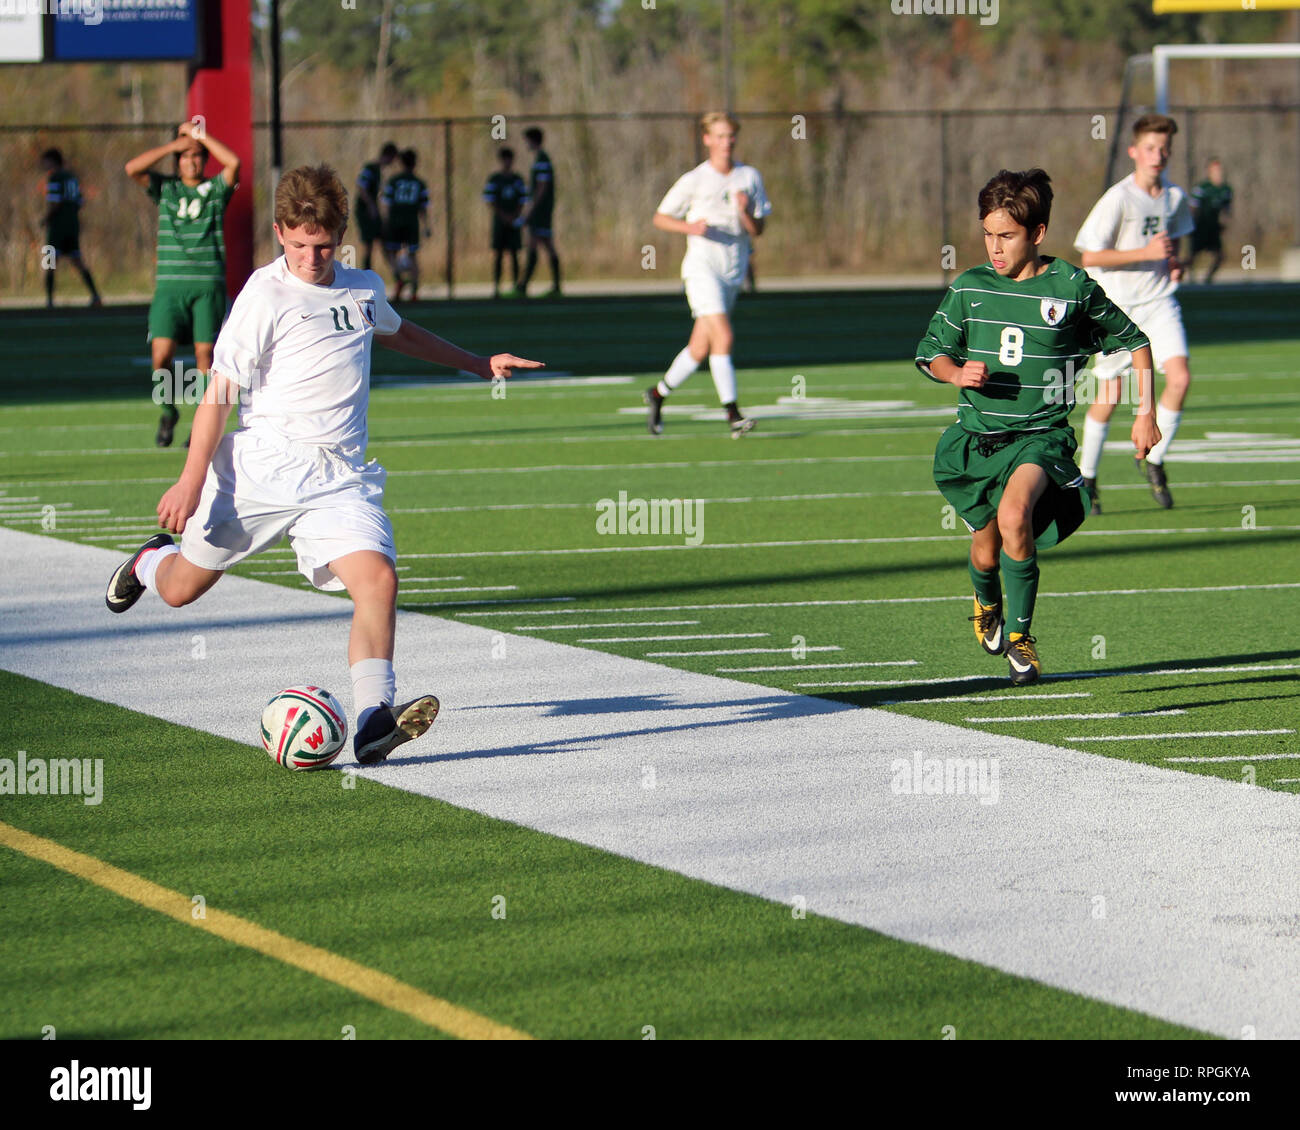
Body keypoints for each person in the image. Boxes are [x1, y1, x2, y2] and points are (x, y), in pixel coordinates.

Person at [104, 164, 543, 764]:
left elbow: (402, 334)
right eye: (302, 246)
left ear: (341, 236)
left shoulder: (363, 287)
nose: (314, 258)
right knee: (182, 590)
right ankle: (151, 559)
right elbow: (217, 395)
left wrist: (477, 362)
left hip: (340, 477)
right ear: (281, 232)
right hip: (262, 469)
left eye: (326, 245)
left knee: (379, 581)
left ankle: (372, 721)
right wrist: (188, 479)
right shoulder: (262, 295)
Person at [915, 168, 1157, 686]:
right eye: (988, 234)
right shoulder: (969, 288)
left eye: (1007, 236)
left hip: (1041, 438)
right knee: (985, 545)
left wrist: (1145, 414)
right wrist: (957, 372)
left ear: (1038, 233)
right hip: (976, 440)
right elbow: (931, 353)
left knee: (1015, 514)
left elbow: (1137, 343)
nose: (995, 247)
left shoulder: (1070, 286)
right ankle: (986, 603)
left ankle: (1022, 641)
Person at [1073, 113, 1194, 513]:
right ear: (1134, 152)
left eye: (1164, 149)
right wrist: (1144, 254)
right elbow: (1090, 255)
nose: (1157, 155)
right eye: (1149, 148)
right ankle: (1087, 477)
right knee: (1110, 394)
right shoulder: (1118, 198)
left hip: (1160, 303)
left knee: (1180, 378)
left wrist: (1176, 264)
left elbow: (1173, 248)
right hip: (1118, 310)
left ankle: (1154, 461)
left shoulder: (1174, 197)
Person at [644, 110, 770, 439]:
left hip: (732, 271)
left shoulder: (749, 177)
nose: (726, 142)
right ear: (707, 139)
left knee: (700, 349)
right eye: (720, 136)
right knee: (724, 338)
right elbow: (660, 217)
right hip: (702, 269)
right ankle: (732, 414)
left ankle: (657, 394)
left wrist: (744, 212)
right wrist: (690, 227)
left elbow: (759, 229)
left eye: (731, 136)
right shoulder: (695, 179)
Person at [125, 121, 240, 447]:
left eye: (197, 155)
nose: (192, 160)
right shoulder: (166, 188)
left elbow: (234, 164)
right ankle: (168, 410)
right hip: (170, 288)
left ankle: (201, 425)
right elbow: (132, 168)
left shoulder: (216, 190)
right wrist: (172, 146)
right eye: (185, 155)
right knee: (161, 356)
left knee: (206, 356)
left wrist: (202, 135)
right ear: (177, 159)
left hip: (207, 286)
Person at [39, 149, 102, 309]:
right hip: (72, 225)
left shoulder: (55, 177)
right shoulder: (71, 177)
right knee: (78, 260)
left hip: (58, 227)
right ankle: (95, 295)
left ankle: (49, 300)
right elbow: (80, 201)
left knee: (50, 262)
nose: (43, 164)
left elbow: (55, 202)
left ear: (53, 161)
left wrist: (46, 219)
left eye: (45, 161)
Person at [516, 127, 561, 297]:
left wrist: (530, 210)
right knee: (545, 245)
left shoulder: (542, 159)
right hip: (541, 210)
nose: (525, 144)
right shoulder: (539, 159)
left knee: (536, 244)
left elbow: (542, 187)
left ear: (532, 140)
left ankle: (524, 285)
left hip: (540, 211)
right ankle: (550, 285)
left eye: (526, 140)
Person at [380, 148, 430, 302]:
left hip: (395, 221)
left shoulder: (394, 181)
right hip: (412, 222)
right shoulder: (419, 183)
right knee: (413, 256)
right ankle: (414, 290)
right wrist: (427, 226)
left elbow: (386, 203)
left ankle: (398, 279)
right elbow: (423, 207)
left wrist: (386, 221)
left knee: (391, 253)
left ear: (401, 163)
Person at [482, 147, 528, 298]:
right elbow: (490, 200)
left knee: (515, 253)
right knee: (499, 254)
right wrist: (503, 215)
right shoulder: (495, 179)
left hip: (513, 222)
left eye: (509, 159)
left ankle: (515, 284)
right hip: (500, 223)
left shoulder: (517, 179)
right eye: (504, 159)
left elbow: (523, 200)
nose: (507, 162)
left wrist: (514, 215)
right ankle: (496, 286)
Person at [1188, 157, 1233, 285]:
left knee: (1220, 256)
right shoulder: (1202, 188)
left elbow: (1226, 209)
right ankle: (1189, 279)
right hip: (1200, 227)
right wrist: (1191, 226)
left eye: (1220, 170)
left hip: (1214, 227)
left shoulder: (1225, 190)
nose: (1218, 173)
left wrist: (1224, 223)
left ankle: (1207, 280)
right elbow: (1192, 207)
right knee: (1193, 256)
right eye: (1215, 170)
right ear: (1209, 171)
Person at [355, 141, 398, 272]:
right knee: (368, 244)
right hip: (365, 212)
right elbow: (361, 187)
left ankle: (396, 274)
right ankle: (366, 274)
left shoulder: (380, 171)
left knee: (384, 240)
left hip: (373, 211)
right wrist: (371, 206)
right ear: (388, 156)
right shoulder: (370, 168)